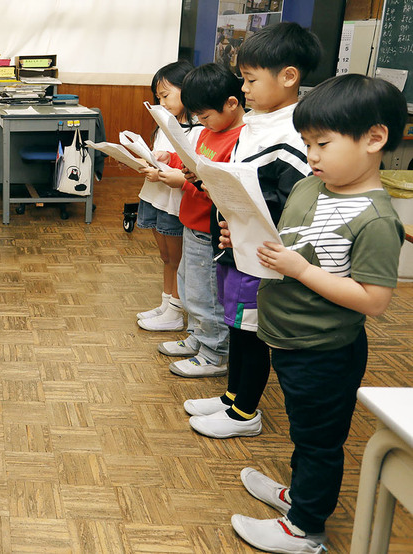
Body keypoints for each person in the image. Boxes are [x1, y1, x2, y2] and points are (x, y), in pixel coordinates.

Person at [226, 73, 407, 554]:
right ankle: (300, 496)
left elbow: (373, 299)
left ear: (375, 138)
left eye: (323, 143)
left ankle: (307, 528)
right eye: (307, 143)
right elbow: (288, 244)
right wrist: (247, 243)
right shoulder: (312, 187)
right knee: (303, 428)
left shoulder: (376, 219)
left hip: (325, 349)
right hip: (286, 336)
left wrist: (301, 271)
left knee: (320, 440)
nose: (312, 156)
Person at [183, 22, 320, 439]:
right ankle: (230, 397)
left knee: (251, 329)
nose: (244, 89)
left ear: (289, 77)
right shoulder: (259, 121)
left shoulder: (294, 130)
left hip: (261, 255)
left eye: (250, 79)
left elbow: (289, 203)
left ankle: (245, 412)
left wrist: (243, 225)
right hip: (235, 242)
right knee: (235, 323)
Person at [145, 63, 245, 378]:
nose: (201, 123)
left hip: (209, 227)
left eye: (205, 116)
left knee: (207, 296)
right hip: (192, 223)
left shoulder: (238, 139)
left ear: (232, 103)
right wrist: (173, 160)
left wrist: (185, 181)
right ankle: (198, 339)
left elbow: (218, 186)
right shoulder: (212, 131)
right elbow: (195, 160)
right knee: (190, 290)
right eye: (198, 117)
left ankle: (215, 354)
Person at [135, 61, 202, 332]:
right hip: (156, 195)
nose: (161, 102)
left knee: (177, 258)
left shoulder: (198, 130)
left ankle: (175, 310)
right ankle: (166, 304)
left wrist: (167, 170)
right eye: (158, 97)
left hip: (176, 200)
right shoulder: (165, 122)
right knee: (165, 256)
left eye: (166, 95)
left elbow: (192, 169)